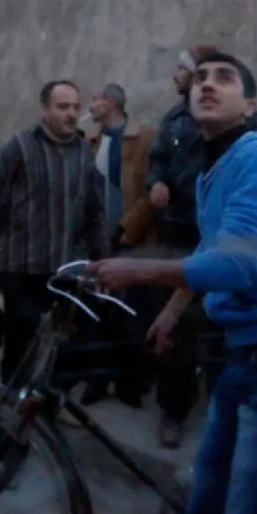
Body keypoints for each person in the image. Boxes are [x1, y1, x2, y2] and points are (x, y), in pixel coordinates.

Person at [92, 53, 257, 514]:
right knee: (208, 500)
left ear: (248, 104)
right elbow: (214, 247)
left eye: (224, 79)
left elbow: (236, 264)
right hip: (246, 350)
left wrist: (137, 269)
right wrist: (172, 309)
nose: (207, 84)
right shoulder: (214, 169)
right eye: (200, 78)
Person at [0, 80, 107, 391]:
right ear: (45, 110)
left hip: (66, 272)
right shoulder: (17, 149)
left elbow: (94, 212)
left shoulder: (83, 152)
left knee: (65, 352)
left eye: (76, 107)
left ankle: (45, 418)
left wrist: (102, 262)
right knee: (20, 353)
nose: (71, 113)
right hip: (23, 271)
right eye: (63, 107)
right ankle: (11, 430)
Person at [134, 47, 229, 448]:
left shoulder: (236, 120)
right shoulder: (173, 118)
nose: (177, 75)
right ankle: (173, 412)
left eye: (182, 69)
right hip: (178, 236)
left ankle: (224, 411)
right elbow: (156, 163)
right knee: (174, 330)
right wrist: (155, 183)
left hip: (221, 236)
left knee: (222, 324)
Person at [78, 82, 154, 408]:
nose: (89, 105)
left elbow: (153, 191)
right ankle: (97, 379)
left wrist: (127, 228)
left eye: (94, 99)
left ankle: (130, 383)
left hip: (132, 240)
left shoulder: (145, 140)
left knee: (133, 313)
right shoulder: (92, 142)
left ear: (110, 103)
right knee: (97, 312)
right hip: (99, 242)